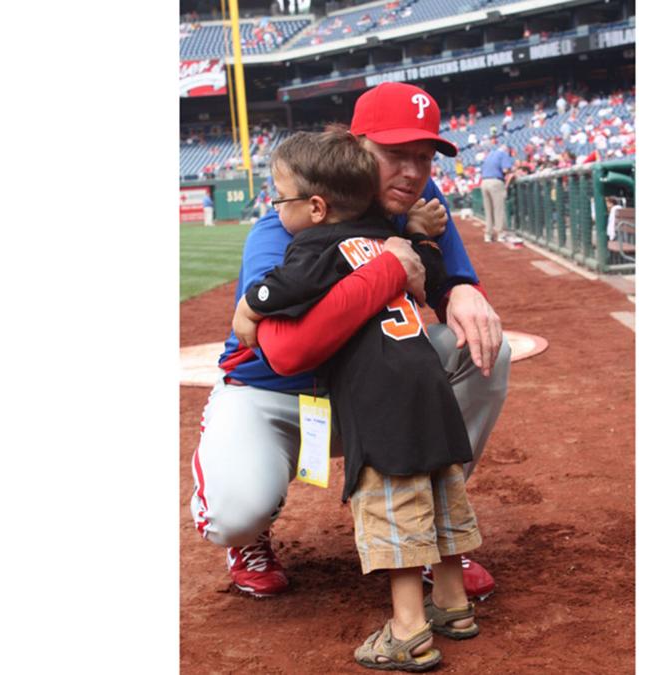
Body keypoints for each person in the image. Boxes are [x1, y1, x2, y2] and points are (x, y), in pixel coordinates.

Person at [190, 82, 510, 600]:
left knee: (482, 348)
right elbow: (289, 351)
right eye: (394, 154)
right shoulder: (282, 229)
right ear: (355, 150)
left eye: (424, 157)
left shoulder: (421, 205)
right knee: (234, 514)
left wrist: (463, 291)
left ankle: (427, 521)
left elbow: (445, 279)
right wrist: (386, 269)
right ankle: (251, 533)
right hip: (277, 394)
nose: (412, 172)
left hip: (368, 394)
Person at [232, 129, 481, 671]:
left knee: (391, 502)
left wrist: (251, 306)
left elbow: (287, 290)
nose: (277, 210)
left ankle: (410, 629)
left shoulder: (316, 244)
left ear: (317, 207)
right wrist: (413, 232)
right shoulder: (386, 236)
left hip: (379, 395)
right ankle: (454, 604)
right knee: (442, 487)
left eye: (281, 199)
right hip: (427, 381)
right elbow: (430, 275)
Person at [479, 136, 514, 243]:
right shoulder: (503, 153)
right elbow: (505, 169)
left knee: (488, 211)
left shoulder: (490, 154)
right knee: (499, 209)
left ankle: (488, 235)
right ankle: (501, 234)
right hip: (495, 182)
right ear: (507, 149)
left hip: (484, 182)